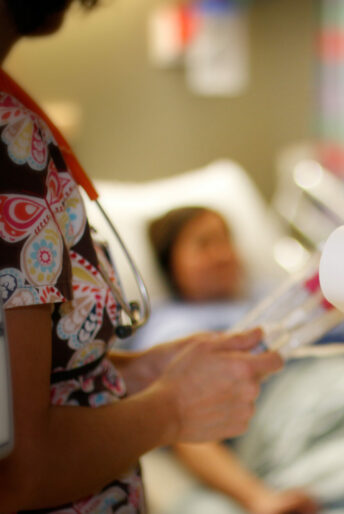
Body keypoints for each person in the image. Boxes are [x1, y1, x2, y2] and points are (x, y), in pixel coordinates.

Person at [0, 2, 283, 512]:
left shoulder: (12, 110)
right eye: (202, 243)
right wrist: (173, 407)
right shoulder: (7, 146)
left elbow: (50, 388)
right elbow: (15, 471)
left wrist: (139, 373)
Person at [131, 206, 319, 514]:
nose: (222, 254)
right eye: (204, 245)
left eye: (225, 241)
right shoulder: (174, 330)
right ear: (171, 264)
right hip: (294, 422)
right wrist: (259, 499)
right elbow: (183, 425)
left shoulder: (274, 293)